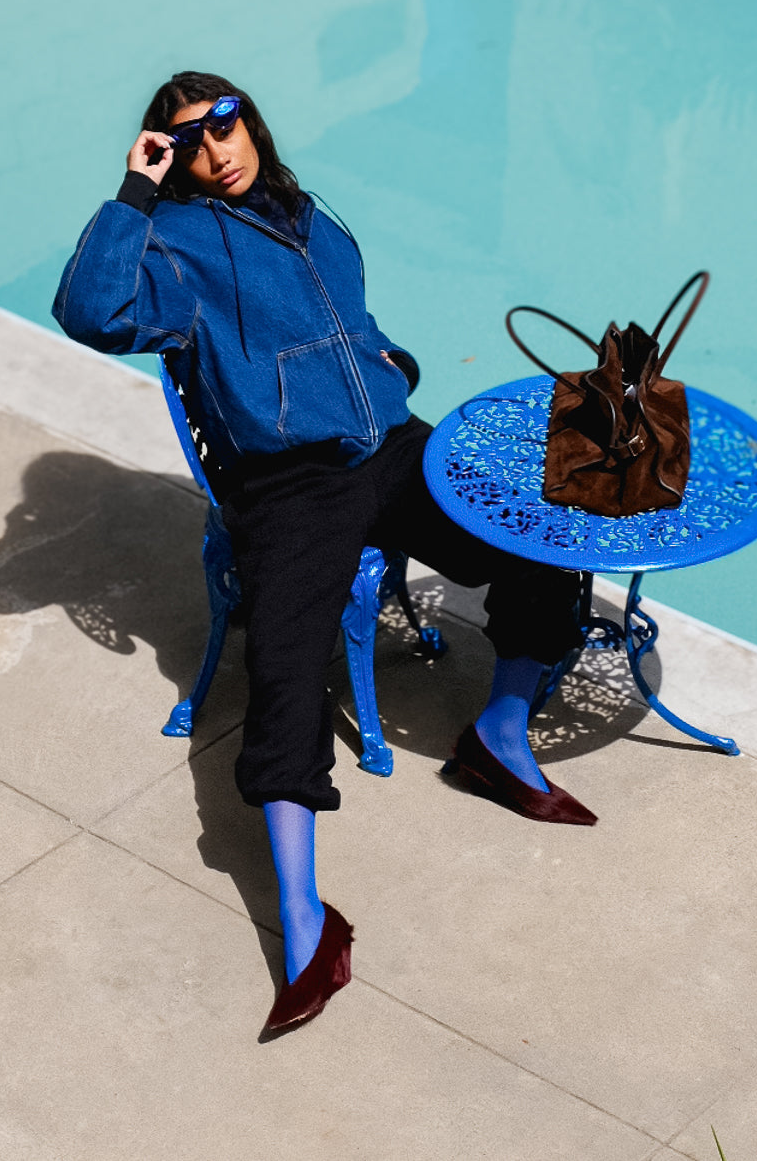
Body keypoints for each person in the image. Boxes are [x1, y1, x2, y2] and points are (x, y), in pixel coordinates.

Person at [53, 70, 594, 1037]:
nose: (217, 152)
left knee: (541, 536)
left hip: (389, 448)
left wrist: (393, 367)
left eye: (226, 127)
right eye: (188, 140)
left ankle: (497, 737)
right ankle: (307, 922)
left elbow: (356, 324)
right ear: (167, 151)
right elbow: (90, 314)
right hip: (292, 487)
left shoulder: (311, 217)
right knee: (288, 668)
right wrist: (135, 191)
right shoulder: (175, 246)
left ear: (250, 124)